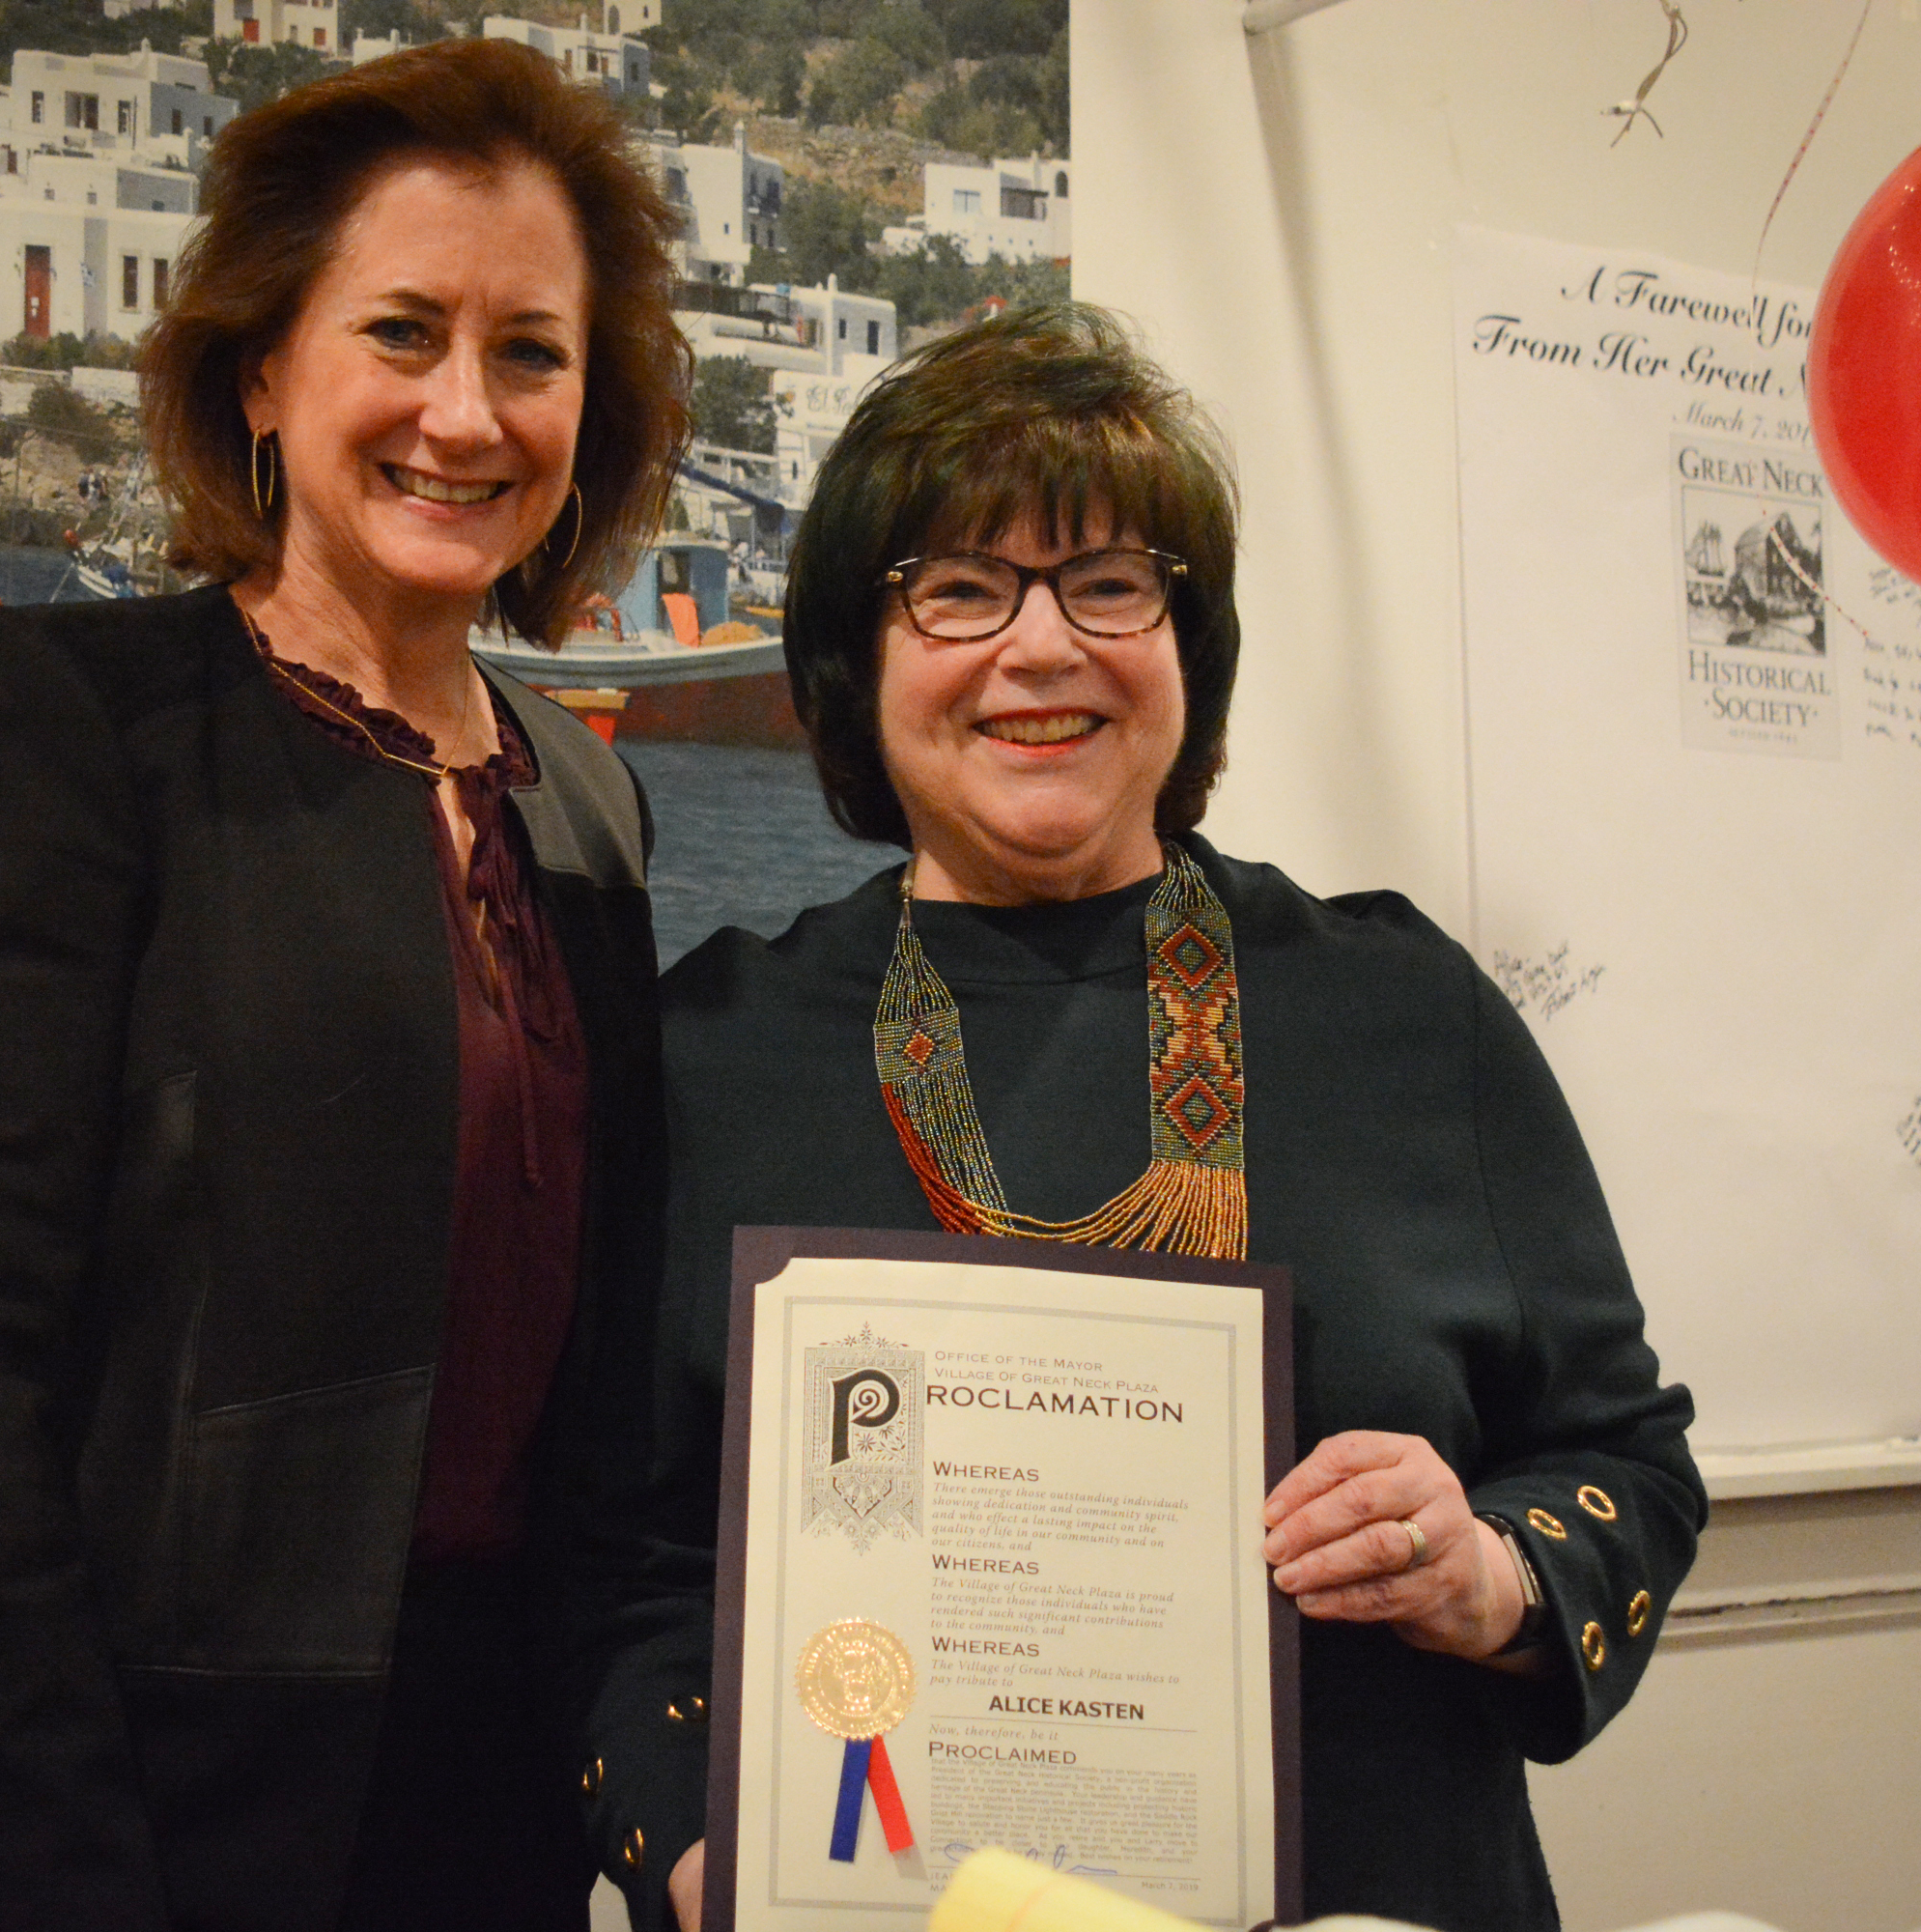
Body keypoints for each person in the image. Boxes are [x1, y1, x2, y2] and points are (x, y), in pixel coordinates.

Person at [570, 304, 1703, 1932]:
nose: (1043, 648)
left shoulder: (1403, 1011)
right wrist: (701, 1860)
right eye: (960, 588)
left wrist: (1489, 1571)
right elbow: (621, 1578)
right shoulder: (711, 1054)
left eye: (1110, 583)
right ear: (853, 660)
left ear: (1190, 649)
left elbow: (1627, 1466)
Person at [0, 41, 690, 1931]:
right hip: (113, 1799)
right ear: (265, 370)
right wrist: (47, 1854)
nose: (466, 411)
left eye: (531, 352)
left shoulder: (590, 799)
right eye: (403, 332)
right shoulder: (73, 722)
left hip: (488, 1806)